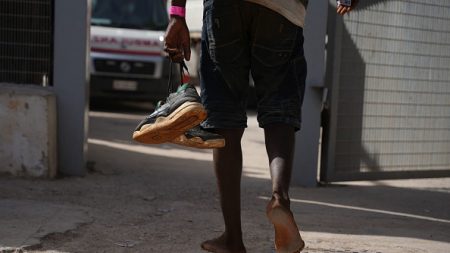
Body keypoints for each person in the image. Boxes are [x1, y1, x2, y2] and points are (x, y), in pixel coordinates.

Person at [164, 0, 359, 252]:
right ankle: (280, 198)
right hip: (283, 9)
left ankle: (233, 237)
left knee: (225, 119)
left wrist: (177, 14)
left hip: (225, 10)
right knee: (279, 107)